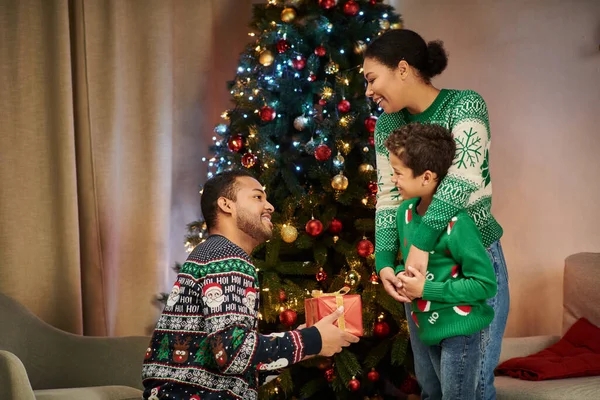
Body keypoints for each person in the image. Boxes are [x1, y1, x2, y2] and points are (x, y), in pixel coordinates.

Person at [364, 29, 509, 399]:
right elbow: (388, 196)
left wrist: (421, 242)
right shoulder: (387, 125)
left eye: (371, 79)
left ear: (402, 69)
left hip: (470, 261)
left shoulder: (465, 105)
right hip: (420, 270)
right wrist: (383, 262)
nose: (368, 91)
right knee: (431, 387)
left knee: (471, 389)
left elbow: (462, 179)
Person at [142, 170, 359, 400]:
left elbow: (230, 367)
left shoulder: (211, 253)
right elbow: (233, 353)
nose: (270, 206)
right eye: (257, 197)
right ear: (226, 205)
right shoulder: (227, 257)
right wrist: (312, 339)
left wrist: (303, 341)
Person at [385, 122, 497, 399]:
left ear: (426, 177)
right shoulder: (405, 214)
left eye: (398, 173)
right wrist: (402, 274)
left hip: (461, 331)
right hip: (428, 328)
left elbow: (485, 285)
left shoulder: (459, 224)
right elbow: (416, 264)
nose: (392, 180)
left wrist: (425, 290)